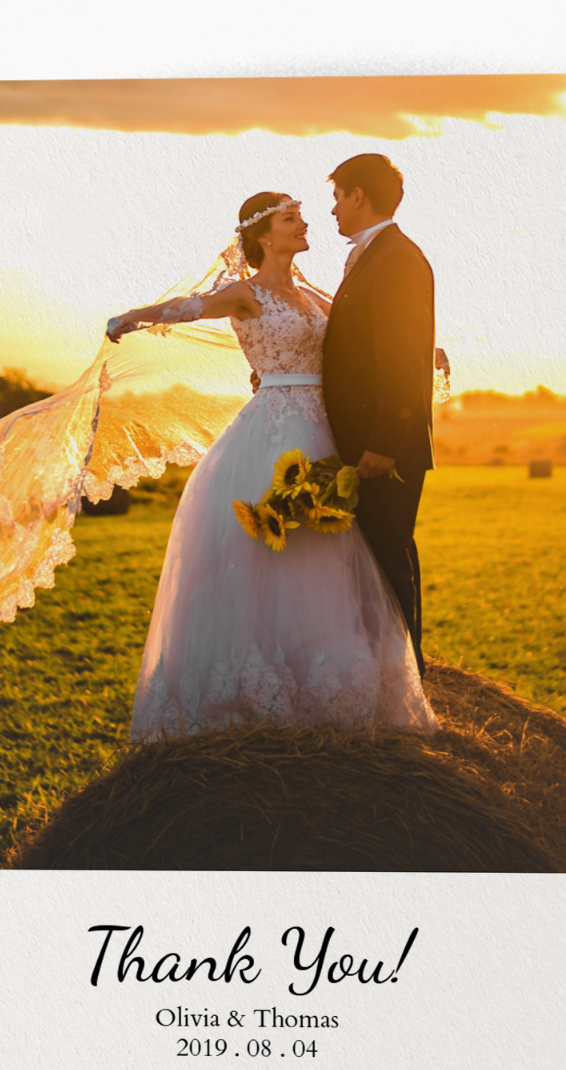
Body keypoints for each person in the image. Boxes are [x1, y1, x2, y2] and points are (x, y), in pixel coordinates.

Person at [106, 191, 438, 740]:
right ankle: (260, 686)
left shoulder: (314, 295)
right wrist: (133, 317)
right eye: (292, 219)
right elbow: (187, 306)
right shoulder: (245, 292)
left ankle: (334, 685)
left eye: (302, 216)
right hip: (273, 433)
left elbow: (370, 339)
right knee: (273, 553)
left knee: (331, 552)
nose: (306, 224)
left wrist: (428, 354)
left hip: (327, 435)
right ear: (264, 236)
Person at [321, 154, 437, 677]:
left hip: (384, 449)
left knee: (389, 566)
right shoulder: (374, 256)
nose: (333, 210)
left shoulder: (397, 259)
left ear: (358, 196)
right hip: (363, 443)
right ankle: (387, 680)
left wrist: (385, 441)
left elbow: (402, 356)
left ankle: (405, 687)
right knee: (375, 566)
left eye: (337, 197)